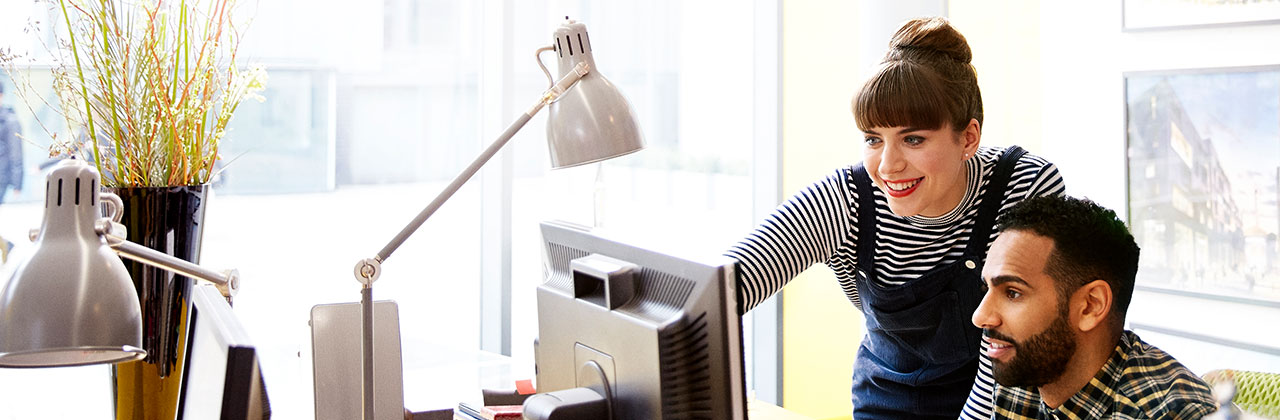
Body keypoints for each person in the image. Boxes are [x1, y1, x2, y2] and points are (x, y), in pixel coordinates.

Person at [726, 17, 1064, 419]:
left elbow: (1020, 341)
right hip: (885, 402)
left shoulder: (1023, 185)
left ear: (968, 138)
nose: (887, 166)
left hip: (1001, 398)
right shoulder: (846, 199)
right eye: (873, 139)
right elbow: (724, 288)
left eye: (913, 139)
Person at [973, 195, 1215, 419]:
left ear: (1091, 306)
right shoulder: (1024, 370)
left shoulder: (1174, 414)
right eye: (986, 289)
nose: (980, 316)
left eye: (1013, 293)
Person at [0, 82, 24, 263]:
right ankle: (6, 245)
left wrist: (17, 182)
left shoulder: (9, 120)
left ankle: (6, 245)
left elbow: (16, 152)